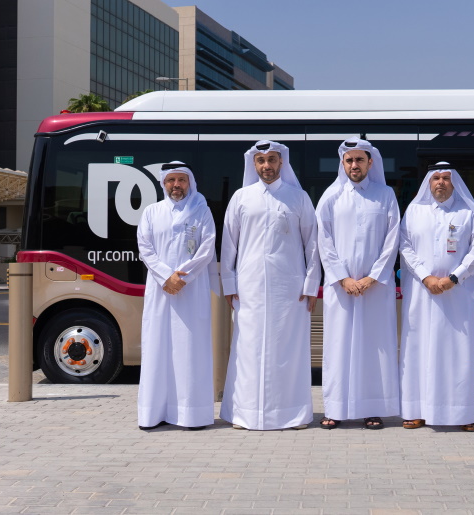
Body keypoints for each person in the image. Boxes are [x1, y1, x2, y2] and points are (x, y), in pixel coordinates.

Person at [220, 141, 320, 431]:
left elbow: (313, 244)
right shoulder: (241, 197)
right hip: (248, 288)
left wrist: (311, 285)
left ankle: (293, 415)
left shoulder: (298, 197)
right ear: (254, 164)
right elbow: (229, 244)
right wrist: (228, 283)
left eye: (272, 160)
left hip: (290, 290)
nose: (267, 166)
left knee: (288, 350)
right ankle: (245, 414)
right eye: (261, 160)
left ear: (281, 162)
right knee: (247, 349)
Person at [316, 137, 400, 430]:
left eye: (359, 160)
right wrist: (343, 277)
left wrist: (372, 277)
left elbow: (392, 239)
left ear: (370, 163)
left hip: (375, 288)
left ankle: (372, 409)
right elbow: (323, 239)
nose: (354, 165)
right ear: (343, 163)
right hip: (341, 288)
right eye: (349, 160)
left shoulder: (385, 195)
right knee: (338, 346)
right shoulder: (331, 196)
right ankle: (335, 409)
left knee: (375, 347)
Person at [398, 162, 474, 432]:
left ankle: (463, 413)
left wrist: (454, 278)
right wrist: (426, 277)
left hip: (456, 296)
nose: (440, 182)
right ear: (428, 182)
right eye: (436, 178)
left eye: (446, 178)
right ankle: (416, 411)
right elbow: (404, 247)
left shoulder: (468, 213)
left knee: (457, 352)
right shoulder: (414, 211)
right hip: (421, 294)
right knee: (419, 349)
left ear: (454, 182)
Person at [137, 161, 219, 431]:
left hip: (191, 291)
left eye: (181, 180)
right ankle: (154, 413)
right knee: (157, 348)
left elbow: (207, 247)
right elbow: (145, 248)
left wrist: (182, 277)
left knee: (190, 351)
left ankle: (191, 415)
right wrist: (166, 277)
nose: (176, 185)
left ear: (189, 183)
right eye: (171, 180)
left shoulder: (202, 210)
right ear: (164, 183)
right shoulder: (151, 212)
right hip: (160, 290)